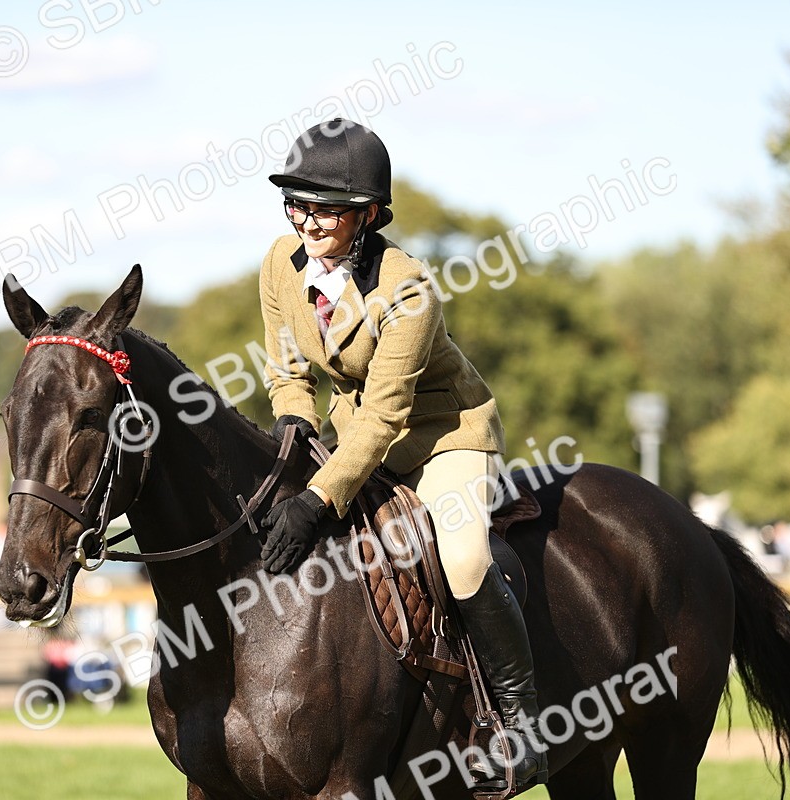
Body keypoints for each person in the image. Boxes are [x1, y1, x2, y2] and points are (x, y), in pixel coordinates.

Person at [257, 118, 546, 788]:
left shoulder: (408, 287)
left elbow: (388, 414)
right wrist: (295, 429)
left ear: (368, 215)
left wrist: (319, 496)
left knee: (464, 556)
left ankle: (521, 724)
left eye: (325, 209)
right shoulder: (278, 262)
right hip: (352, 434)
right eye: (296, 204)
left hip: (442, 435)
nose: (307, 221)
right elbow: (288, 370)